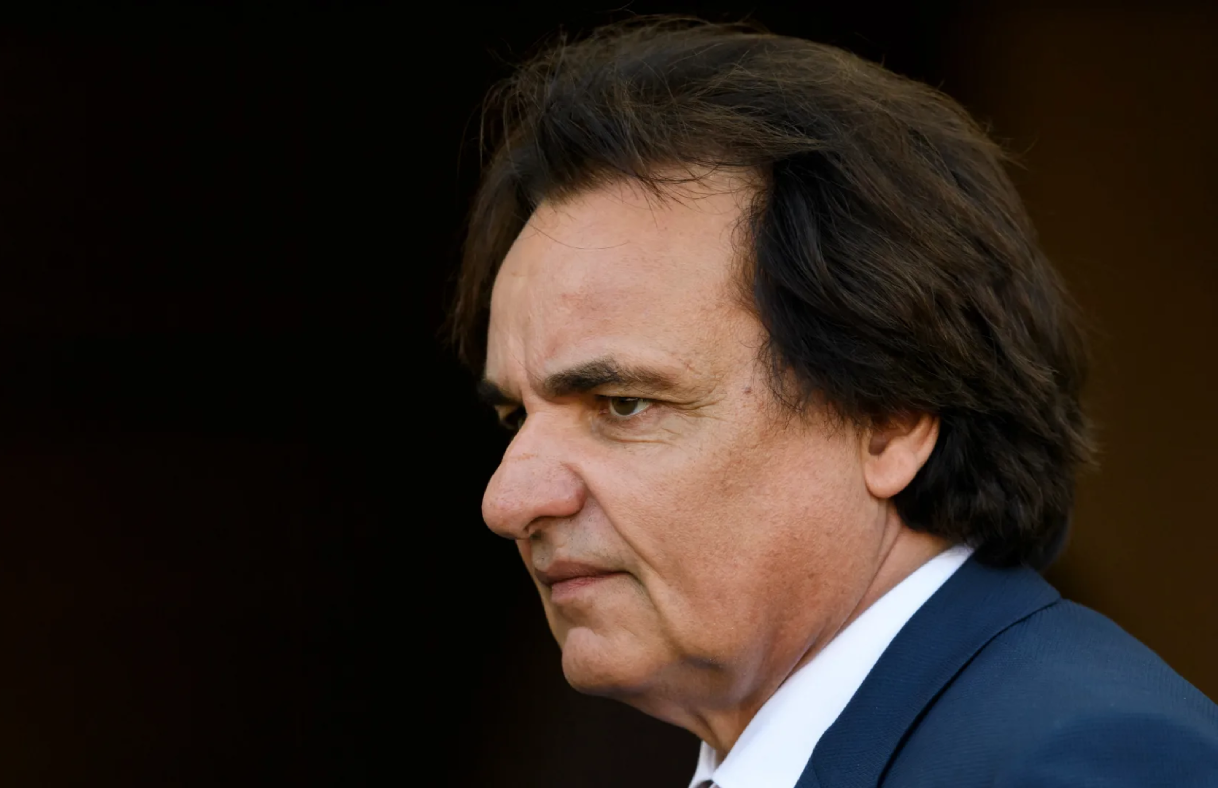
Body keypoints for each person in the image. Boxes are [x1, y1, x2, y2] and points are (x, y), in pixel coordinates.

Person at [447, 17, 1218, 788]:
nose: (507, 501)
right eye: (515, 417)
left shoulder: (1084, 764)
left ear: (889, 420)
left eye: (622, 404)